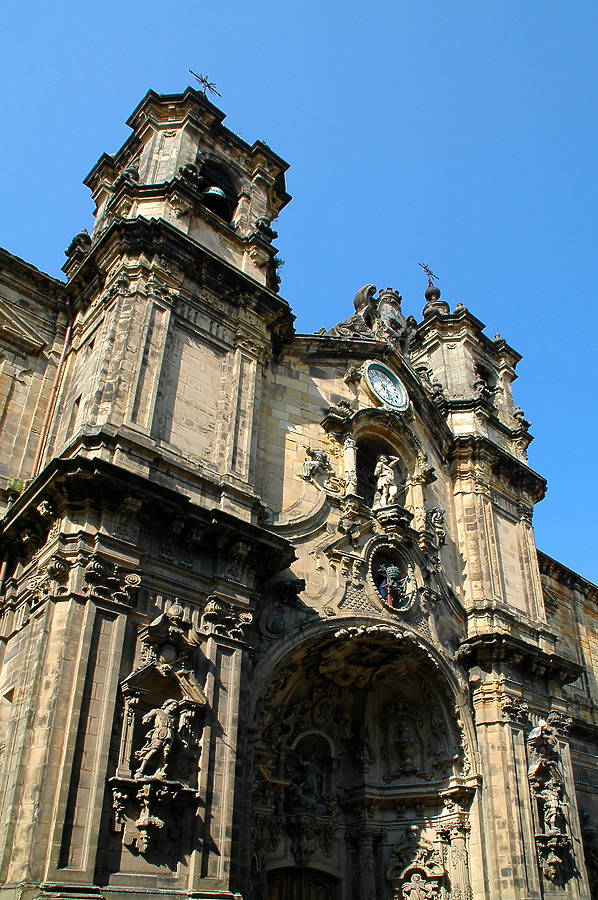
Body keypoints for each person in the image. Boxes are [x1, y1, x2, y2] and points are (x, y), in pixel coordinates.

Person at [135, 699, 179, 778]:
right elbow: (147, 716)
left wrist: (181, 740)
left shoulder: (173, 718)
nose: (174, 707)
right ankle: (141, 768)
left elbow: (176, 731)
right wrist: (146, 719)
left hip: (169, 736)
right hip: (159, 733)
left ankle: (159, 771)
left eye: (176, 706)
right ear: (168, 704)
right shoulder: (157, 712)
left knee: (165, 754)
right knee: (153, 750)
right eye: (173, 705)